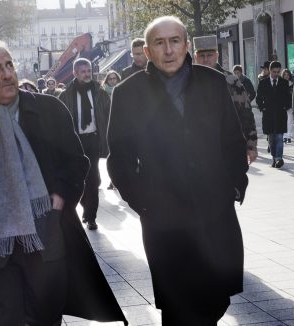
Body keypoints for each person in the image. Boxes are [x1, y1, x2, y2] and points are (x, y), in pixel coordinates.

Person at [0, 38, 127, 326]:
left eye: (9, 65)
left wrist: (62, 195)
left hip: (46, 234)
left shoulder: (48, 110)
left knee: (45, 315)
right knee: (4, 317)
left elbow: (76, 161)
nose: (8, 73)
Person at [107, 16, 248, 325]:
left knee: (215, 297)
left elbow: (232, 140)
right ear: (147, 50)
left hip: (214, 210)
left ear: (187, 45)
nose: (168, 50)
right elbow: (119, 158)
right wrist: (142, 202)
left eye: (174, 41)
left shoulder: (212, 82)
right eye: (159, 42)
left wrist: (235, 186)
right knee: (177, 304)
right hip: (164, 217)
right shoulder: (129, 93)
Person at [59, 58, 111, 230]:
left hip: (94, 140)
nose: (87, 74)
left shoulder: (100, 92)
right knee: (78, 178)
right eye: (83, 71)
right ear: (75, 73)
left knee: (93, 178)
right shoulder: (66, 95)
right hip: (75, 142)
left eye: (89, 71)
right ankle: (84, 205)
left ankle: (91, 216)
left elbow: (109, 116)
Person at [193, 35, 258, 163]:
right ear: (195, 57)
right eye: (201, 56)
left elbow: (246, 113)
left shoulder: (231, 80)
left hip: (228, 147)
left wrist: (251, 145)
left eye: (209, 55)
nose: (206, 59)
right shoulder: (187, 80)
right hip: (197, 150)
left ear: (217, 55)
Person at [256, 61, 291, 168]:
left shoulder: (284, 83)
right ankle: (274, 157)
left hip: (280, 113)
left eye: (278, 72)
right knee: (271, 138)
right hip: (268, 114)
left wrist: (286, 106)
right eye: (274, 72)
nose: (276, 74)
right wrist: (262, 108)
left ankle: (278, 158)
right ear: (270, 71)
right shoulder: (263, 83)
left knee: (280, 137)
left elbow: (288, 97)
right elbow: (258, 98)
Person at [281, 68, 294, 144]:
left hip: (290, 104)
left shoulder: (292, 83)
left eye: (287, 74)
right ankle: (285, 136)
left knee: (290, 120)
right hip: (282, 104)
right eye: (285, 74)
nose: (286, 76)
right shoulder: (280, 83)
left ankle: (288, 136)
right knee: (284, 120)